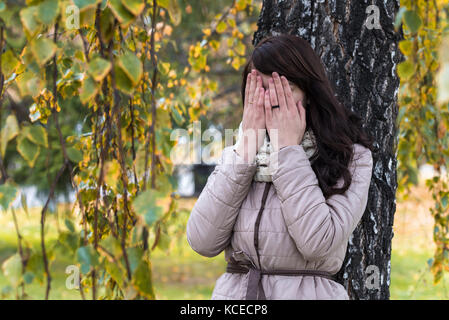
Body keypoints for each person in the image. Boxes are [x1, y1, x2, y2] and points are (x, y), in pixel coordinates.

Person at [186, 34, 374, 300]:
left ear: (309, 93)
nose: (270, 101)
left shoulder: (351, 157)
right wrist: (245, 150)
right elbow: (201, 240)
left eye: (283, 90)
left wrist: (288, 151)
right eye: (259, 90)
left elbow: (317, 243)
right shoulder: (242, 153)